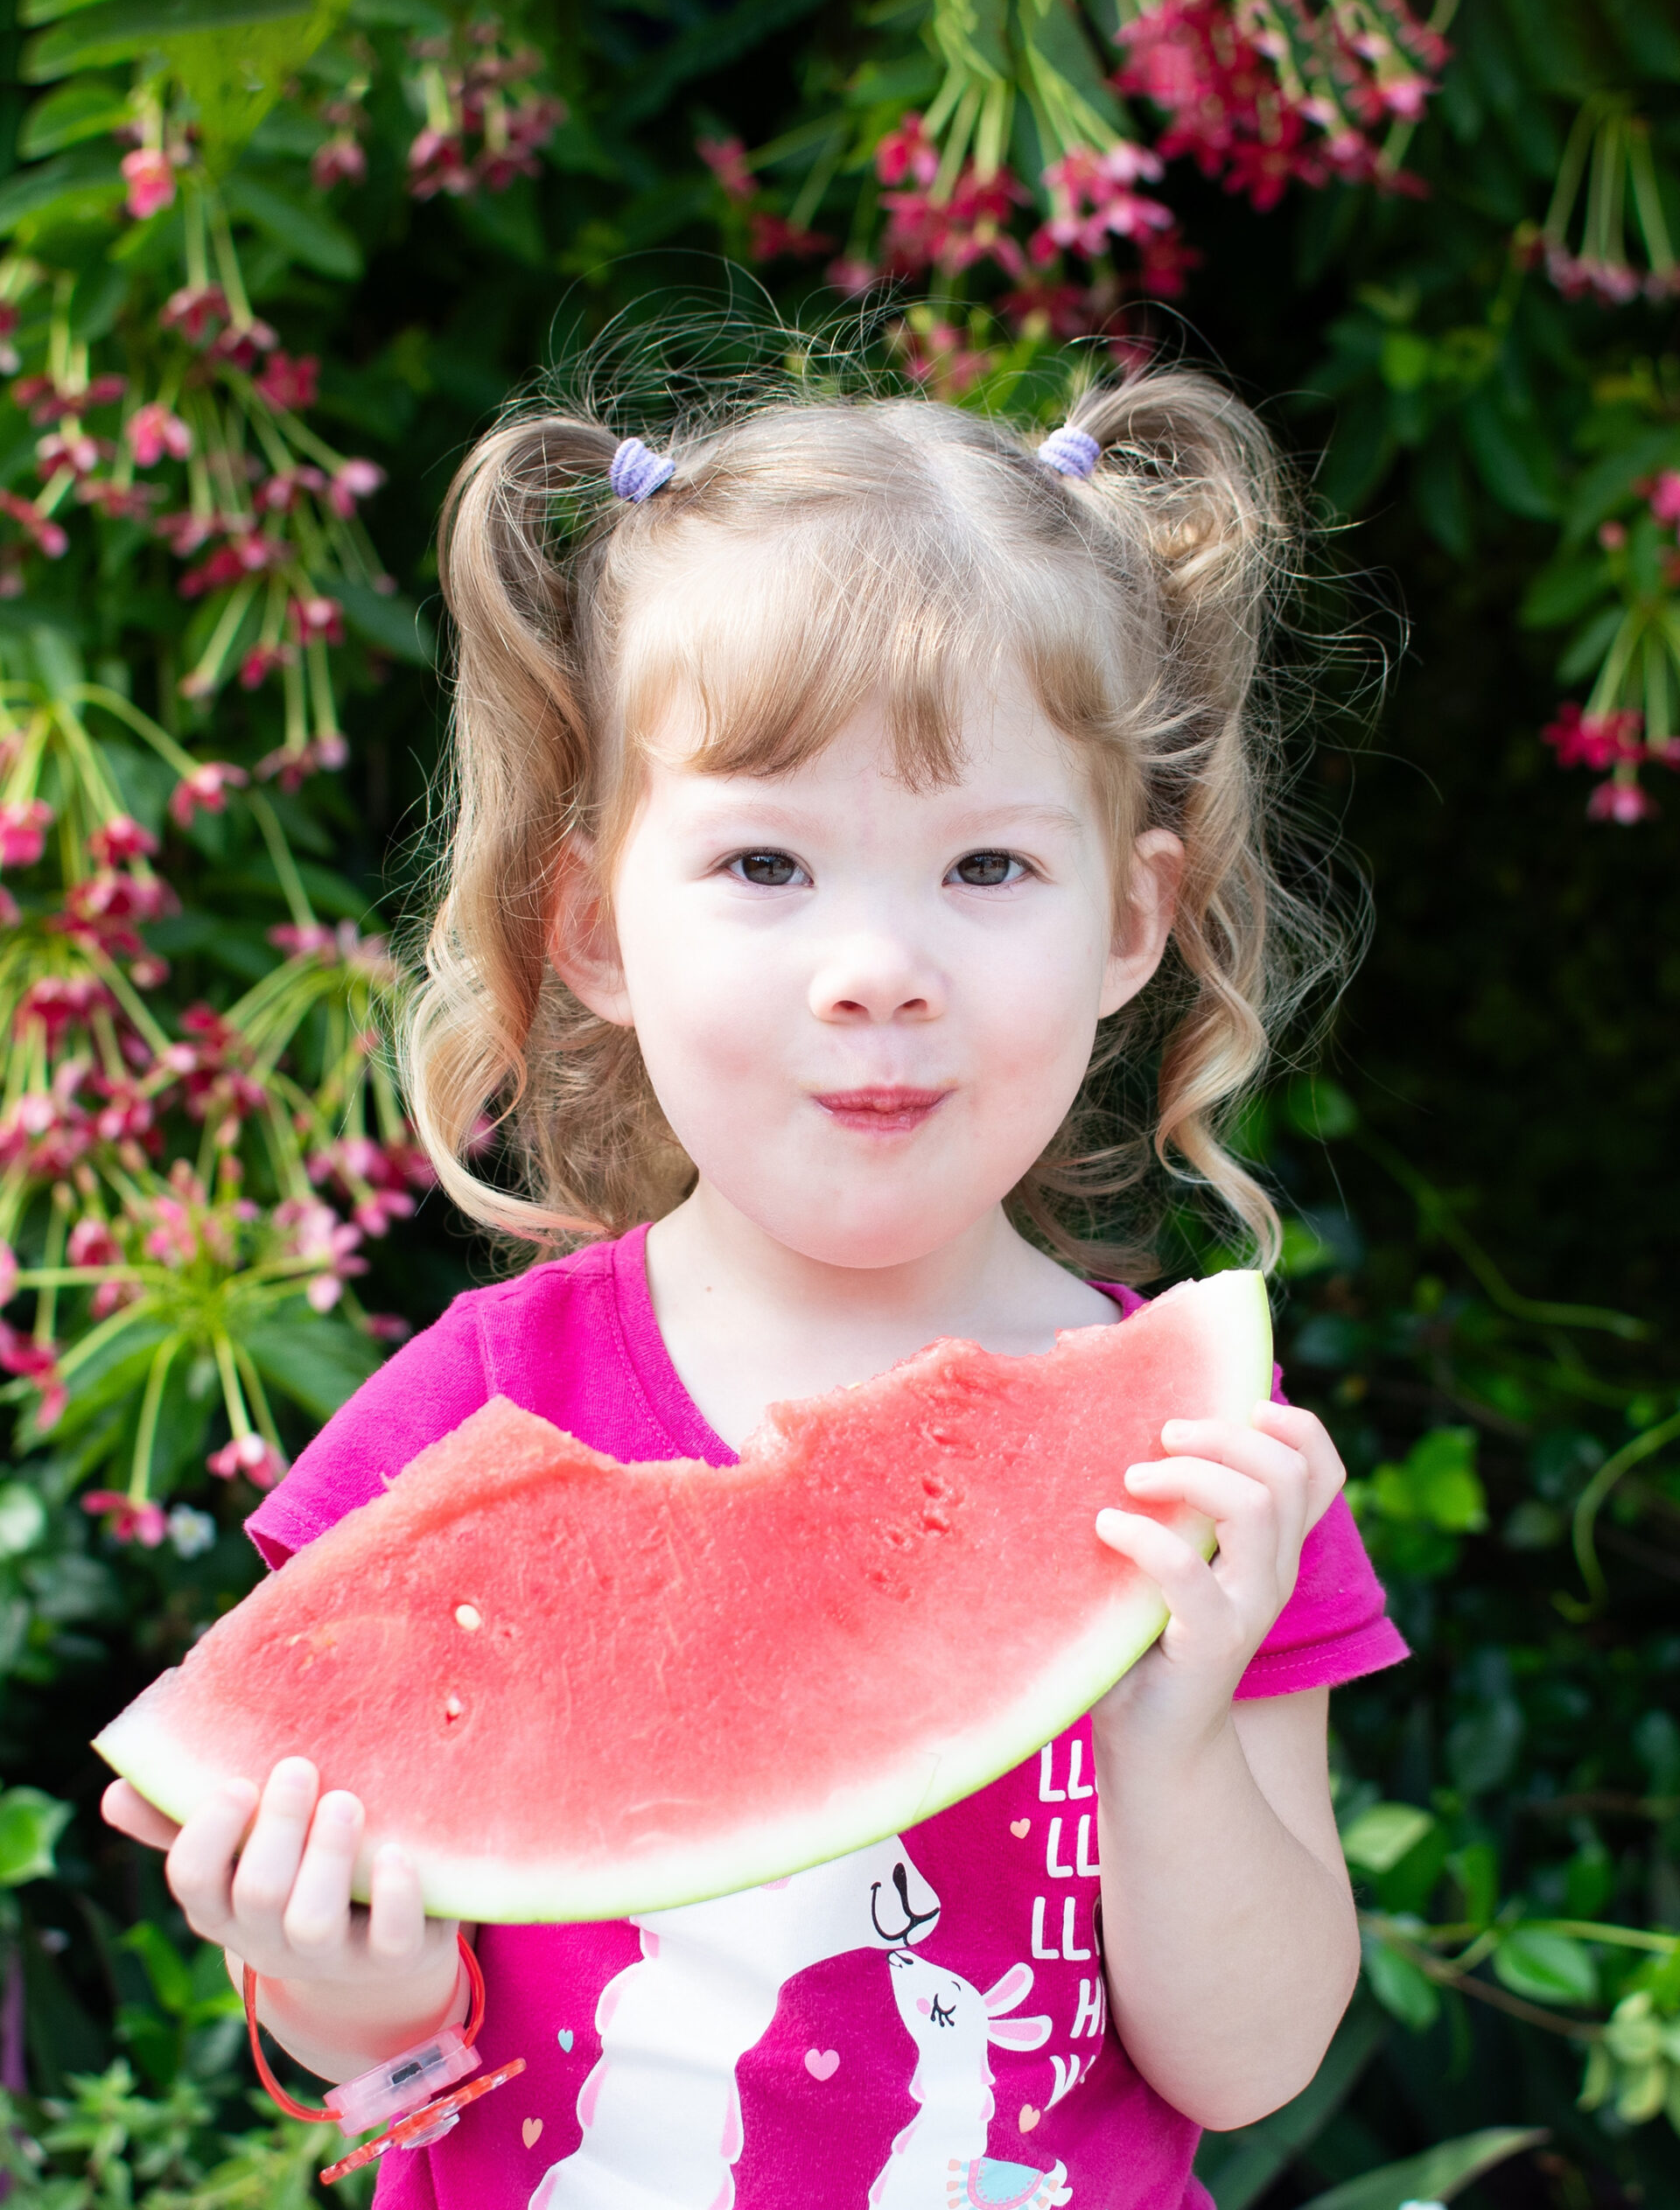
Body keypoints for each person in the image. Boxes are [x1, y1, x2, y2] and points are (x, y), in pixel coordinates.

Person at [102, 363, 1406, 2210]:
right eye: (766, 860)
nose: (876, 964)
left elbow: (1250, 2060)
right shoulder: (478, 1401)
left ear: (1130, 919)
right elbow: (370, 2062)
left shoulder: (1211, 1477)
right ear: (595, 926)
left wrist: (1171, 1728)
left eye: (988, 864)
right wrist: (349, 1973)